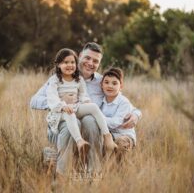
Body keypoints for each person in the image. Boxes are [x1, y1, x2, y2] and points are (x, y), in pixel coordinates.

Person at [30, 42, 142, 176]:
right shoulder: (60, 78)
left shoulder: (102, 81)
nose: (90, 63)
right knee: (77, 122)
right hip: (63, 125)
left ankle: (93, 172)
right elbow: (34, 101)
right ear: (80, 56)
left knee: (90, 119)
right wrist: (60, 102)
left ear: (99, 63)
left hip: (90, 130)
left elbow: (121, 101)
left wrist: (136, 114)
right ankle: (62, 173)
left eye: (95, 61)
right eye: (87, 58)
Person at [45, 48, 117, 163]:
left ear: (76, 63)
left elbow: (83, 94)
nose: (70, 65)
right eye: (65, 62)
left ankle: (107, 137)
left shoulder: (78, 80)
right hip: (59, 112)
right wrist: (62, 105)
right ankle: (80, 142)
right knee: (70, 114)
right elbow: (51, 97)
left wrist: (86, 101)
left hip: (74, 107)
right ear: (58, 64)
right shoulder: (54, 80)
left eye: (72, 62)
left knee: (93, 107)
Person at [100, 67, 136, 164]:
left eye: (114, 83)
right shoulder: (101, 101)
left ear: (121, 86)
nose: (110, 86)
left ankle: (124, 171)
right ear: (101, 85)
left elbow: (115, 122)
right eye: (106, 82)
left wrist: (98, 118)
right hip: (108, 134)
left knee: (120, 144)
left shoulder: (124, 102)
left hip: (124, 135)